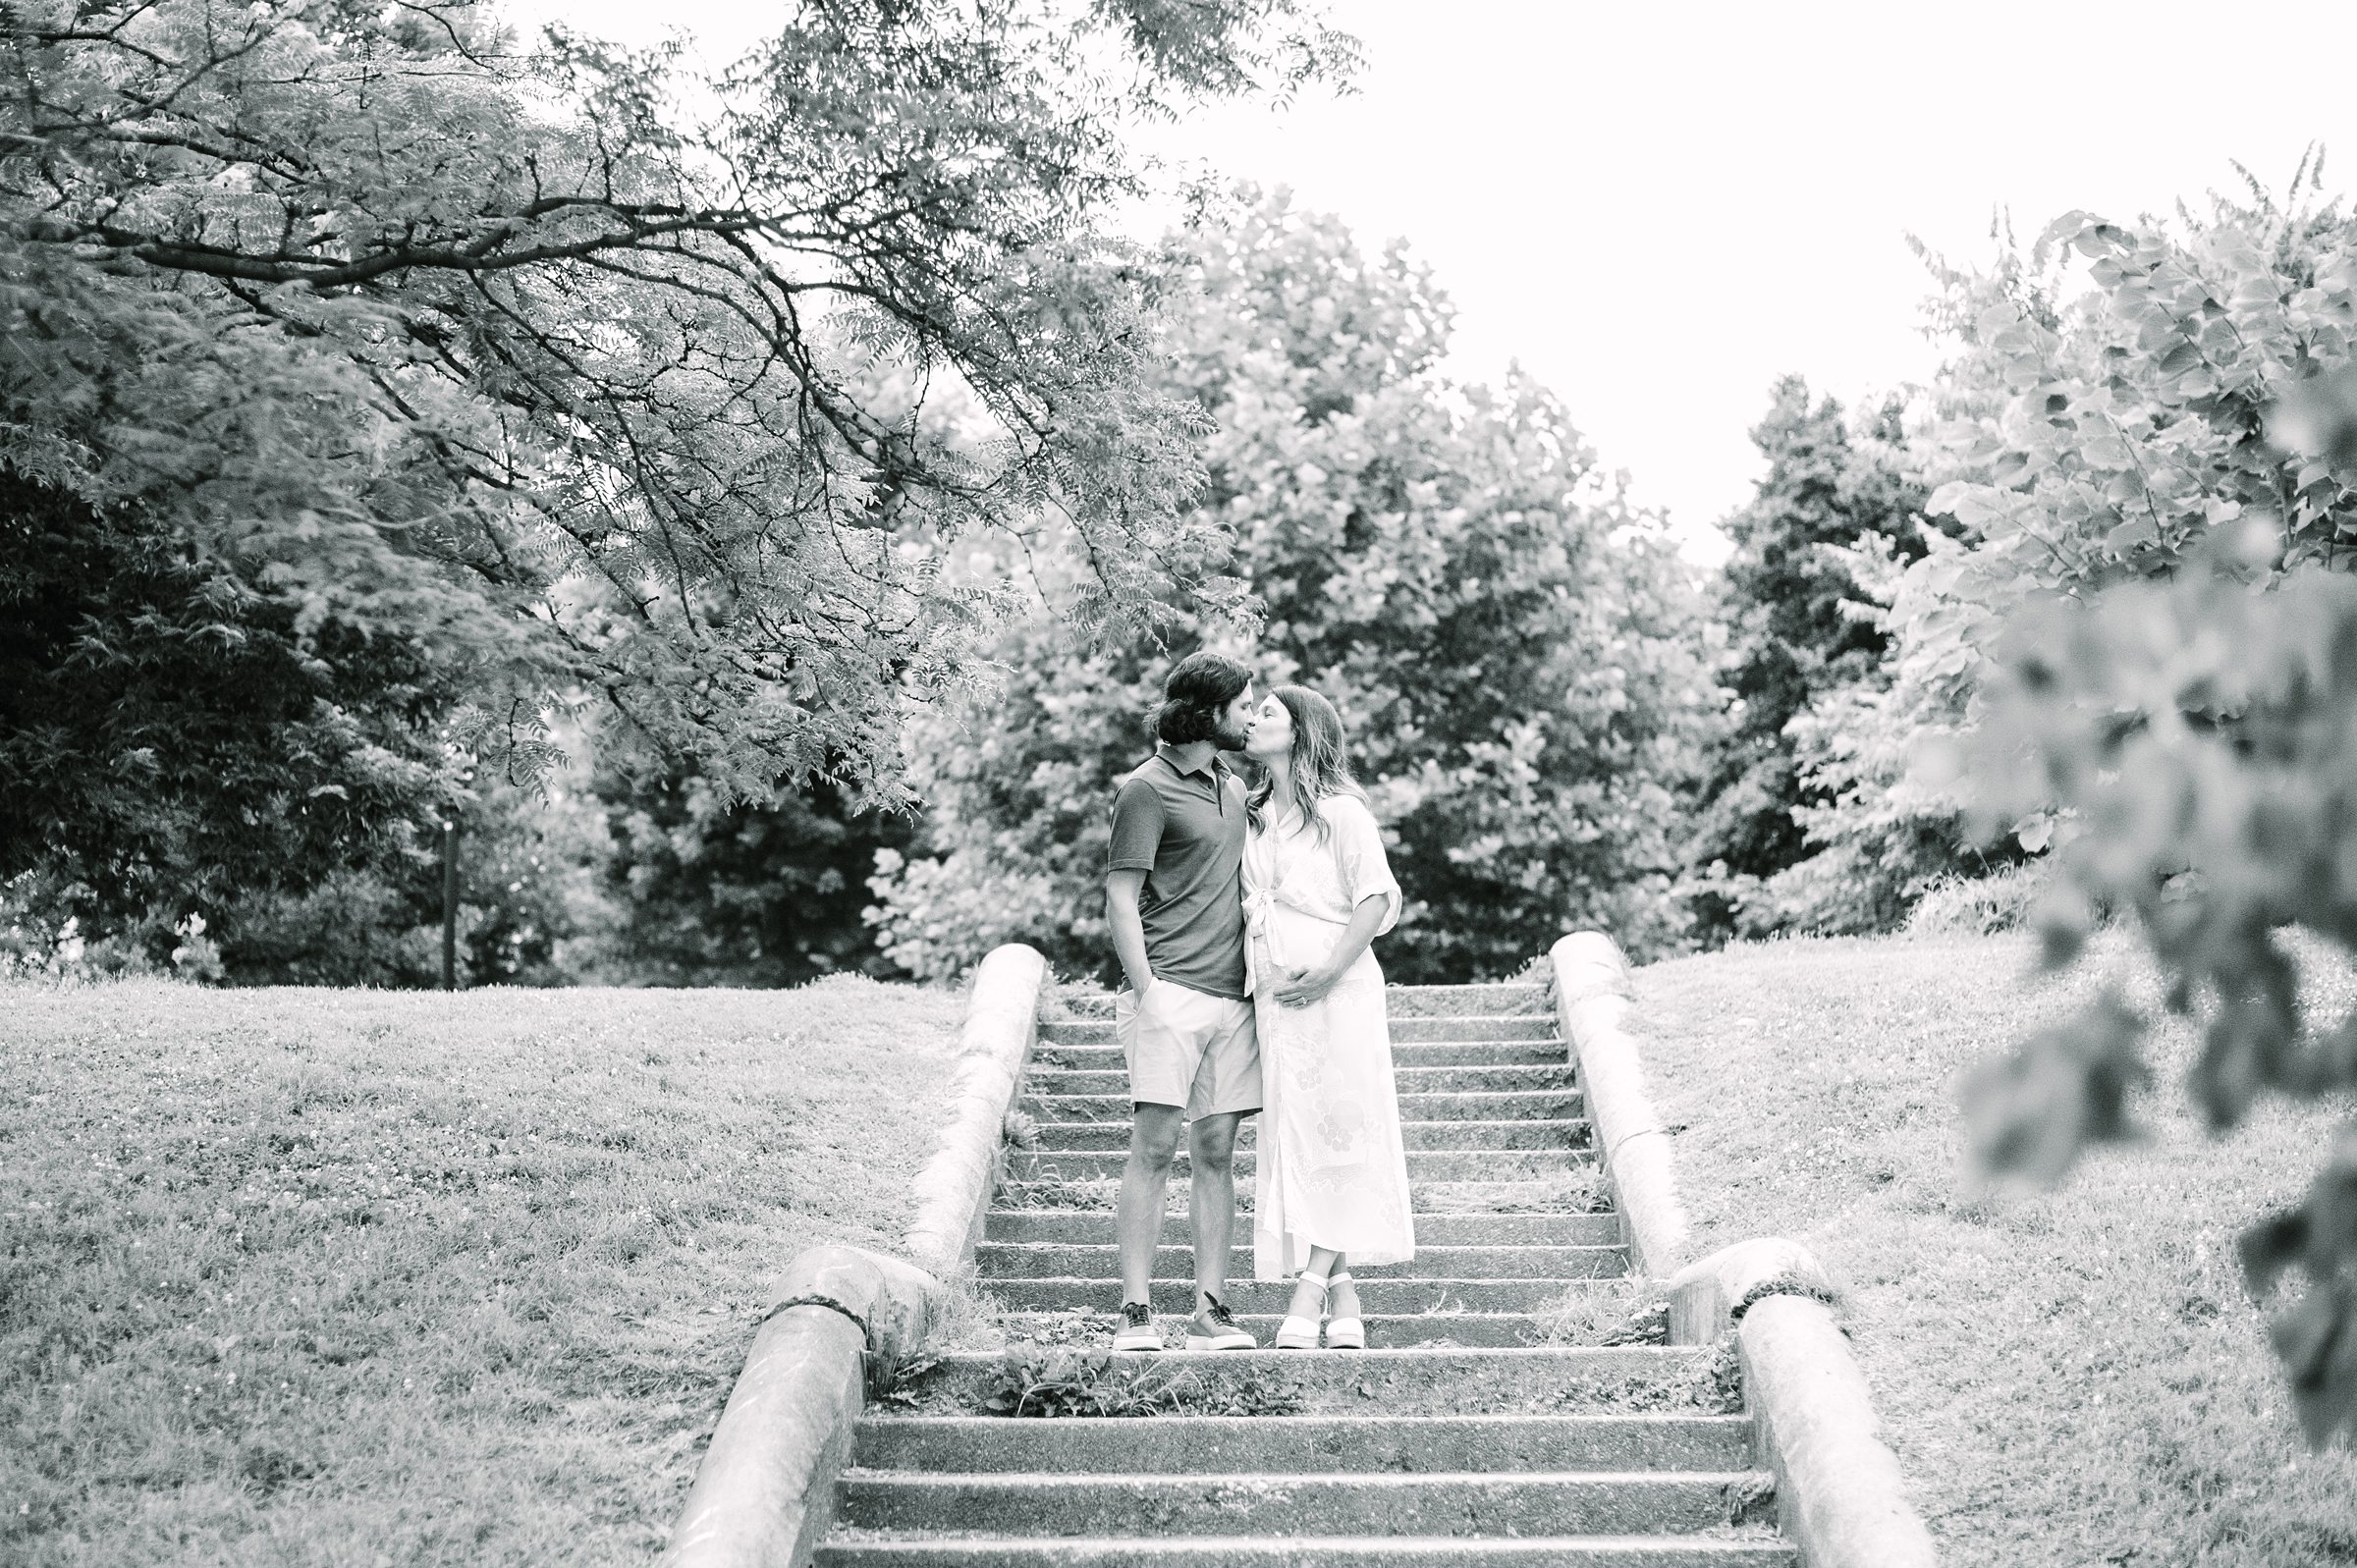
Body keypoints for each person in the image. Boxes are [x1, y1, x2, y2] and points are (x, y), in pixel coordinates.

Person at [1239, 684, 1413, 1350]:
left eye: (1267, 712)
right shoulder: (1253, 812)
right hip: (1275, 997)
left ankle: (1309, 1290)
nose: (1253, 719)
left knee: (1340, 1135)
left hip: (1339, 995)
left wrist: (1333, 968)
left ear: (1302, 730)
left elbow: (1376, 898)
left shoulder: (1343, 813)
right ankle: (1344, 1292)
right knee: (1299, 1140)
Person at [1103, 651, 1262, 1352]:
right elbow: (1119, 897)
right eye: (1244, 705)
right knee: (1156, 1147)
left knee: (1219, 1152)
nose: (1252, 715)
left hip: (1234, 999)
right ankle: (1136, 1311)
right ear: (1209, 711)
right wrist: (1150, 993)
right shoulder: (1145, 788)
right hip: (1170, 993)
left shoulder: (1233, 785)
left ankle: (1209, 1311)